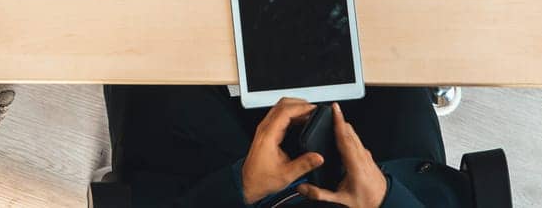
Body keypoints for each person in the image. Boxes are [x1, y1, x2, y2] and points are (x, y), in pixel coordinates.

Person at [104, 87, 485, 206]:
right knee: (386, 50)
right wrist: (385, 200)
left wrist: (240, 189)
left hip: (208, 185)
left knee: (155, 77)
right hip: (386, 183)